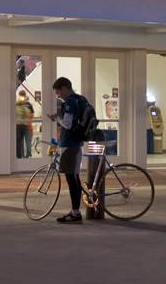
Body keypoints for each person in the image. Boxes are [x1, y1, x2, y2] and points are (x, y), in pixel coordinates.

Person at [51, 76, 94, 222]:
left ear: (64, 88)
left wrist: (57, 118)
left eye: (58, 92)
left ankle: (75, 212)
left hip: (70, 145)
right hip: (76, 144)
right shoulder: (80, 99)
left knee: (71, 179)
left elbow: (68, 124)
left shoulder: (69, 102)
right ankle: (75, 211)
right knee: (74, 178)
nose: (59, 96)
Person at [15, 89, 37, 159]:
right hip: (24, 125)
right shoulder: (20, 104)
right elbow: (31, 114)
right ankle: (24, 155)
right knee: (23, 142)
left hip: (24, 125)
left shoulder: (25, 104)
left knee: (24, 141)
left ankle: (24, 155)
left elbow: (32, 114)